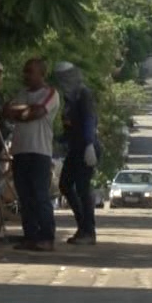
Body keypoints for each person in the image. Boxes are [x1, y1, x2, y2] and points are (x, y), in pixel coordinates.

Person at [4, 58, 60, 251]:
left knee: (40, 195)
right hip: (20, 150)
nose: (26, 75)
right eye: (25, 71)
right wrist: (23, 112)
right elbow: (7, 111)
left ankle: (47, 237)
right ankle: (30, 236)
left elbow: (37, 112)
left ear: (41, 73)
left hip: (39, 152)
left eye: (30, 71)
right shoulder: (21, 93)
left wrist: (21, 112)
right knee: (24, 197)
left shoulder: (50, 93)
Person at [54, 61, 100, 245]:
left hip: (86, 148)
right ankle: (83, 225)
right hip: (75, 147)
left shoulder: (83, 94)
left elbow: (90, 119)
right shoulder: (69, 98)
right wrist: (57, 140)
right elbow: (69, 127)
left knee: (82, 188)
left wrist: (89, 143)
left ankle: (88, 230)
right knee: (65, 184)